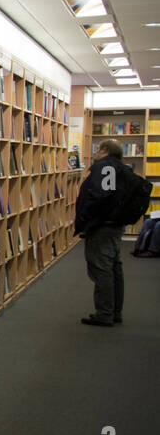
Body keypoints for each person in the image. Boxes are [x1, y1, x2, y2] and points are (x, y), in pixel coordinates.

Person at [74, 139, 128, 326]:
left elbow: (102, 196)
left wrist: (85, 218)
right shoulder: (119, 167)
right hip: (114, 225)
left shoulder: (106, 167)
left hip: (102, 226)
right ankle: (114, 311)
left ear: (105, 150)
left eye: (98, 149)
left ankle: (105, 313)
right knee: (113, 267)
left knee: (102, 269)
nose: (95, 152)